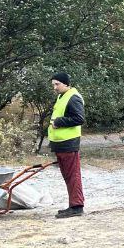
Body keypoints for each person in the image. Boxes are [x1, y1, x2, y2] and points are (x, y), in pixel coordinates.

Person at [47, 73, 85, 219]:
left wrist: (58, 122)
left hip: (69, 143)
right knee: (68, 176)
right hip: (60, 144)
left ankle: (77, 206)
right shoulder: (62, 96)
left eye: (57, 84)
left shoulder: (73, 97)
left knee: (73, 175)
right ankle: (73, 205)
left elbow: (79, 118)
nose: (55, 87)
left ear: (66, 84)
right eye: (53, 85)